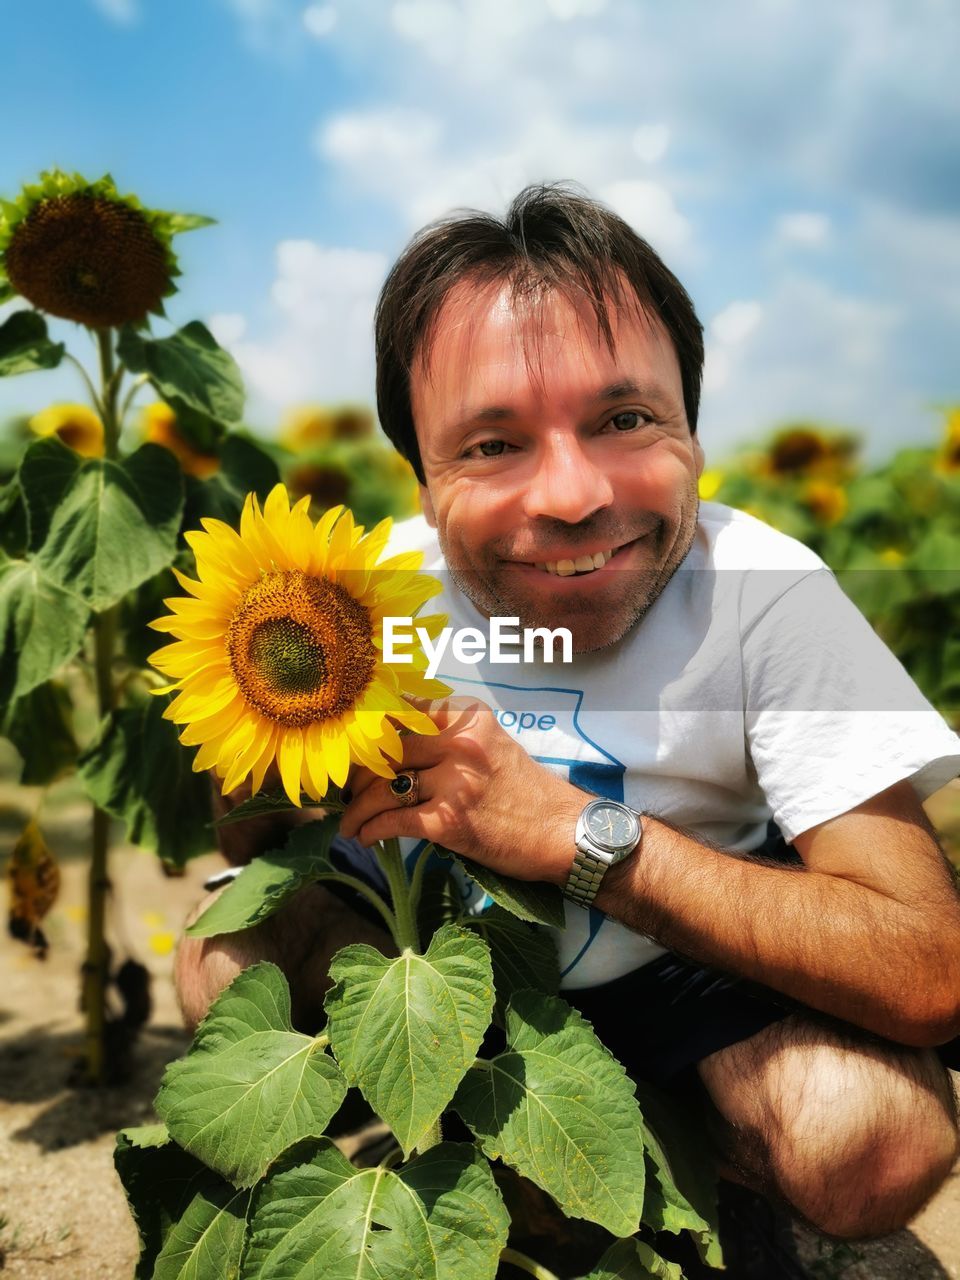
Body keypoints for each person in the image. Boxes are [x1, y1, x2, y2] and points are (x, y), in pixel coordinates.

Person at [175, 184, 960, 1246]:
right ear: (420, 477)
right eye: (492, 444)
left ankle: (656, 1161)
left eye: (625, 419)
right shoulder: (353, 604)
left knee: (873, 1135)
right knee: (218, 959)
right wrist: (264, 755)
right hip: (437, 965)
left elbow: (931, 964)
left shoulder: (765, 592)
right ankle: (469, 1126)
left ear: (692, 427)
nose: (573, 494)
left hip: (681, 969)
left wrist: (577, 842)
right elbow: (249, 839)